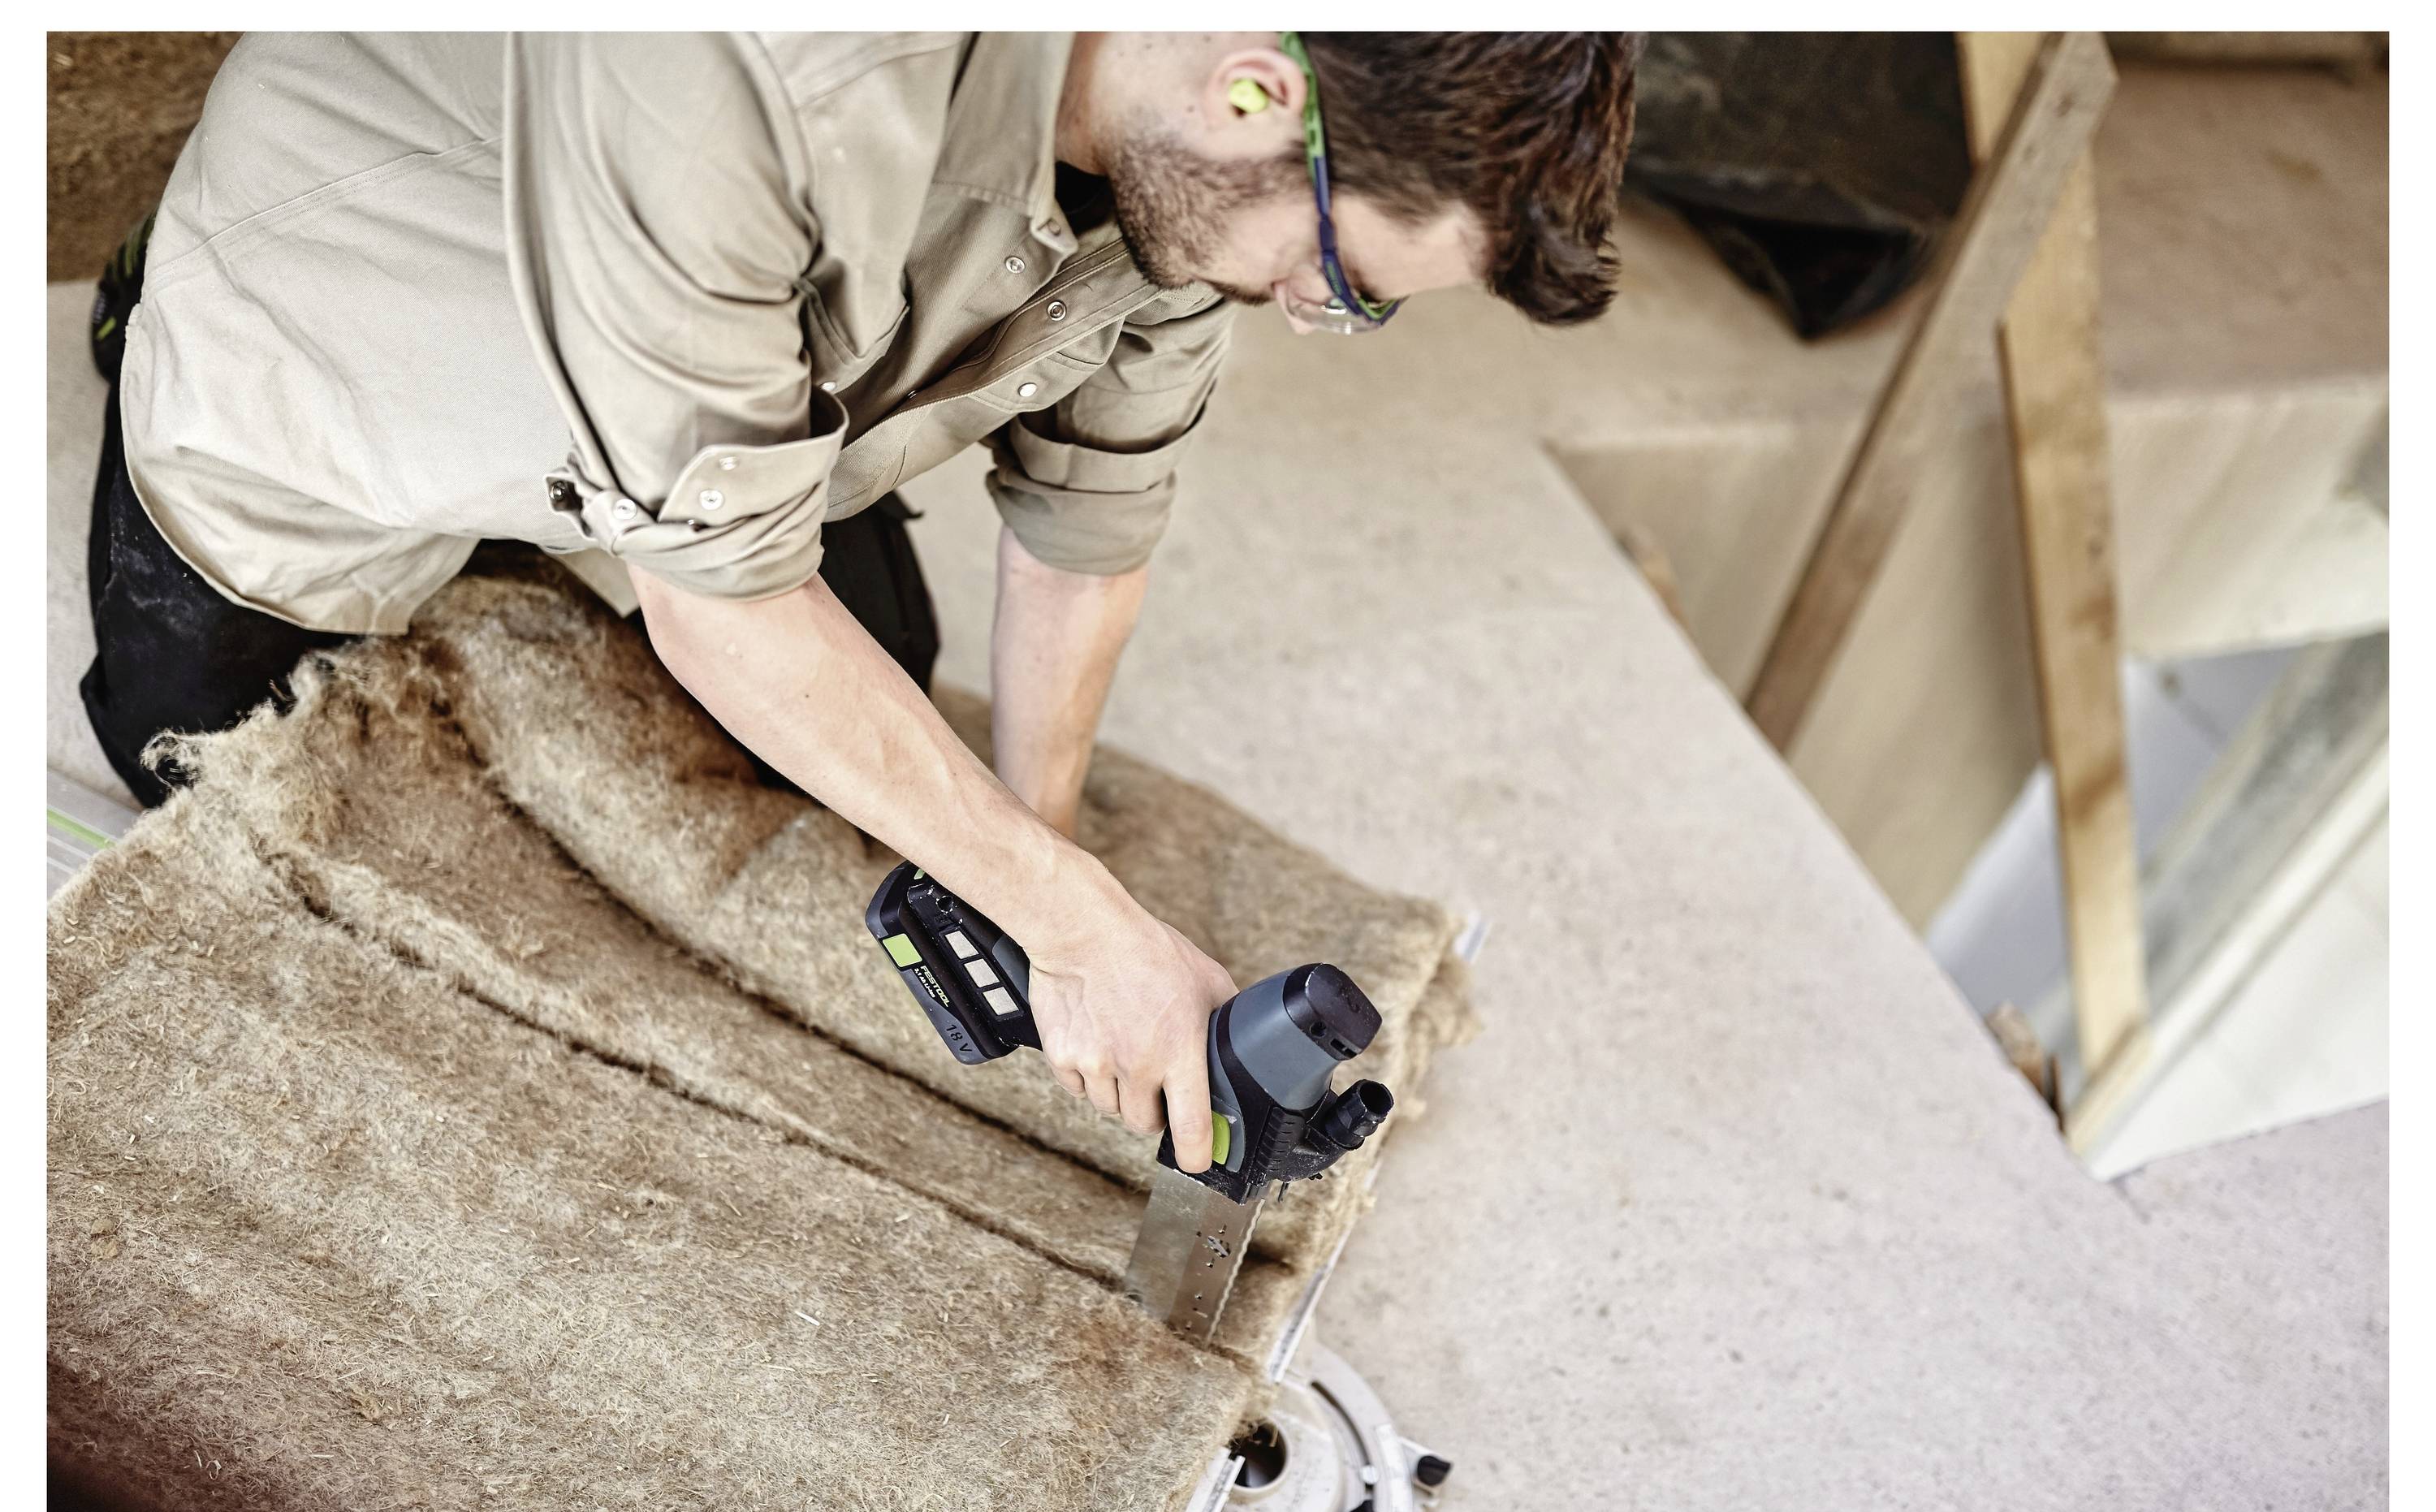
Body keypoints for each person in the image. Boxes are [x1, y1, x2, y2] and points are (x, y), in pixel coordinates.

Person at [83, 30, 1642, 1170]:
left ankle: (695, 478)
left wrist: (1033, 880)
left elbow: (1092, 507)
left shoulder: (1195, 157)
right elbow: (730, 609)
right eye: (1348, 279)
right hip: (354, 328)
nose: (1317, 312)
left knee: (880, 723)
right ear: (1256, 91)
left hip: (729, 403)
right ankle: (151, 310)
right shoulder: (765, 59)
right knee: (234, 814)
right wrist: (1082, 924)